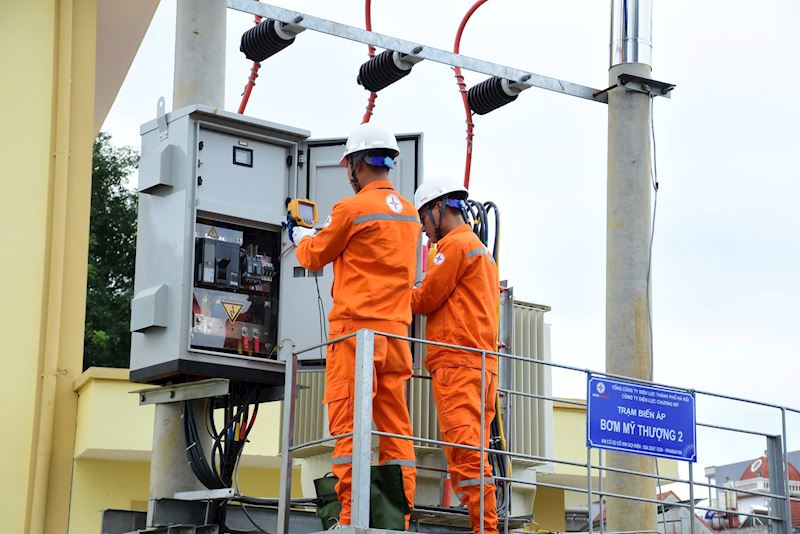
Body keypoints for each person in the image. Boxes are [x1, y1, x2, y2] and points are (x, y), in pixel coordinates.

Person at [291, 123, 420, 528]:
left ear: (356, 166)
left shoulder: (351, 209)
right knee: (396, 426)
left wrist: (299, 234)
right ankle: (400, 514)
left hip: (355, 336)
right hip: (396, 334)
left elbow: (314, 256)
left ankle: (350, 517)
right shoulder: (412, 213)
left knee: (349, 426)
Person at [411, 176, 500, 534]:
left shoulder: (453, 247)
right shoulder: (480, 249)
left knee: (465, 454)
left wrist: (391, 290)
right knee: (473, 453)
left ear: (437, 208)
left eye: (423, 218)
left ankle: (486, 530)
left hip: (457, 364)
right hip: (481, 365)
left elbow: (426, 299)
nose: (422, 227)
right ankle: (485, 526)